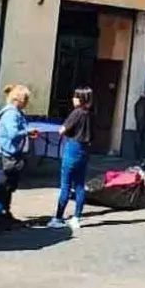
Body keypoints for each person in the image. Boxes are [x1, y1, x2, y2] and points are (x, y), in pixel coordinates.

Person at [47, 87, 93, 231]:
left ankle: (59, 217)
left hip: (72, 148)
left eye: (75, 97)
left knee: (65, 184)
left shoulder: (76, 113)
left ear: (80, 99)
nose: (73, 99)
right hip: (85, 150)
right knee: (79, 185)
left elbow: (63, 130)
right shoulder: (89, 114)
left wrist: (61, 129)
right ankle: (76, 217)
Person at [0, 84, 34, 224]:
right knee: (5, 185)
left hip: (11, 152)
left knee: (9, 185)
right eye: (26, 99)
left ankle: (5, 212)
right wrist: (27, 131)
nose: (27, 102)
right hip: (8, 153)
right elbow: (12, 133)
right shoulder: (11, 113)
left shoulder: (15, 112)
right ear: (19, 99)